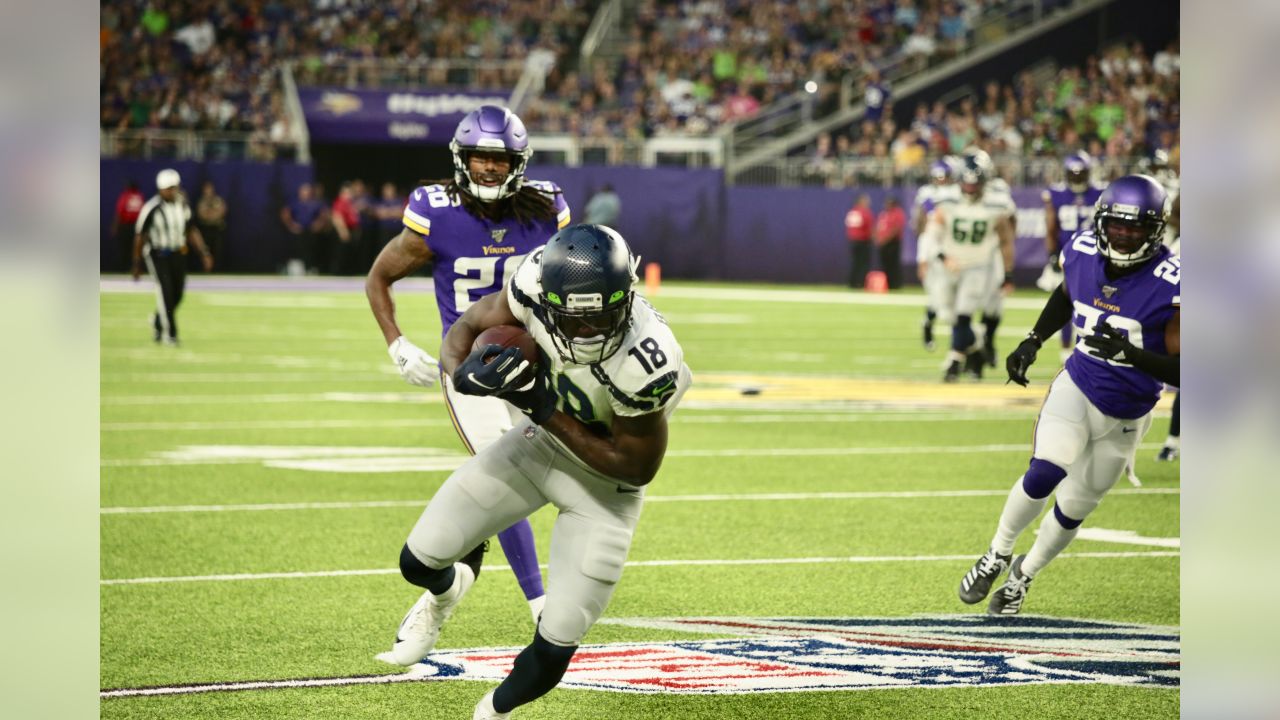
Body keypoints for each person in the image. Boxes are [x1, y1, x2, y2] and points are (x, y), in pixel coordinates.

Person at [385, 225, 692, 719]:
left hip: (606, 489)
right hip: (537, 447)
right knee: (416, 562)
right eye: (575, 319)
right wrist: (464, 373)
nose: (589, 332)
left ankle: (491, 713)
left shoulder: (647, 357)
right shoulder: (532, 283)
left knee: (553, 647)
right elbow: (463, 330)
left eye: (603, 317)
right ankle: (447, 592)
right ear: (548, 301)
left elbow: (636, 468)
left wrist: (540, 405)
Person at [366, 105, 571, 625]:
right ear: (462, 159)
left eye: (499, 159)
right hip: (469, 366)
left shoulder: (546, 210)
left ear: (517, 163)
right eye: (480, 157)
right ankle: (541, 606)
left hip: (533, 359)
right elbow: (378, 277)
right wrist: (397, 342)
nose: (488, 168)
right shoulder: (435, 213)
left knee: (560, 473)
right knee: (498, 463)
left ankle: (460, 573)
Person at [958, 174, 1179, 615]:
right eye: (1116, 225)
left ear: (1155, 231)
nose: (1122, 235)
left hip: (1128, 412)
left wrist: (1132, 355)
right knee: (1044, 471)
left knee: (1074, 508)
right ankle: (997, 552)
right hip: (1077, 385)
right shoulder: (1080, 250)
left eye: (1134, 229)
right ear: (1102, 222)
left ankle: (1023, 575)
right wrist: (1033, 339)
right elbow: (1065, 295)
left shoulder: (1170, 281)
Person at [917, 156, 1014, 382]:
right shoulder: (947, 199)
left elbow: (1006, 239)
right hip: (948, 264)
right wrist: (939, 256)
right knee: (947, 314)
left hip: (978, 266)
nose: (970, 189)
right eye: (966, 184)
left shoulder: (996, 203)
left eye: (974, 184)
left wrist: (1008, 272)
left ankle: (954, 361)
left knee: (963, 315)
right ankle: (978, 344)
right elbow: (932, 232)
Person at [131, 169, 214, 345]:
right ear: (161, 189)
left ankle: (158, 320)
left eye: (174, 187)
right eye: (169, 188)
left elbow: (191, 230)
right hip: (158, 254)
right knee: (165, 292)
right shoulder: (152, 208)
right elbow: (140, 235)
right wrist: (137, 263)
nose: (172, 191)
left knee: (178, 294)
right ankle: (170, 334)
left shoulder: (182, 205)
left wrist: (204, 252)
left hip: (178, 253)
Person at [1040, 152, 1105, 362]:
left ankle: (1083, 349)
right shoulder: (1056, 194)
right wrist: (1052, 255)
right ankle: (1066, 351)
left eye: (1080, 173)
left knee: (1092, 304)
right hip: (1068, 256)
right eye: (1073, 173)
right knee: (1066, 302)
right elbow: (1051, 228)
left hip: (1095, 256)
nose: (1077, 177)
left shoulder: (1101, 192)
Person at [914, 157, 958, 350]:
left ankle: (933, 325)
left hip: (951, 248)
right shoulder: (927, 193)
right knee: (937, 295)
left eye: (943, 176)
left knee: (953, 296)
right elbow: (922, 225)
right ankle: (929, 324)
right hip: (933, 248)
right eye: (937, 177)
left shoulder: (956, 193)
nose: (940, 180)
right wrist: (923, 257)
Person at [280, 183, 328, 275]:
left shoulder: (316, 203)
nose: (306, 193)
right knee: (296, 250)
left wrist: (318, 224)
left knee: (312, 250)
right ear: (300, 192)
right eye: (304, 191)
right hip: (298, 232)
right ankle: (294, 269)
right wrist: (292, 225)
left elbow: (324, 215)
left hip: (311, 232)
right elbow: (285, 213)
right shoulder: (294, 202)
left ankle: (311, 268)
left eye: (308, 191)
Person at [112, 180, 146, 272]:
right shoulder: (140, 196)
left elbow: (119, 213)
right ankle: (135, 268)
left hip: (126, 226)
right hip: (137, 226)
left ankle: (126, 268)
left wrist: (115, 226)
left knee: (126, 248)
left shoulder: (125, 196)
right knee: (136, 249)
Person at [874, 196, 906, 289]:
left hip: (893, 243)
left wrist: (885, 239)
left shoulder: (898, 213)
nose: (887, 205)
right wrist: (877, 238)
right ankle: (887, 283)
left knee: (893, 264)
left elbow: (896, 229)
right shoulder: (884, 214)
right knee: (885, 264)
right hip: (883, 243)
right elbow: (878, 227)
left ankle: (895, 284)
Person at [194, 180, 227, 271]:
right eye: (206, 189)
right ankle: (205, 270)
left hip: (216, 230)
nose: (208, 191)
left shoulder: (218, 200)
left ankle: (217, 270)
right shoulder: (201, 201)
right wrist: (212, 214)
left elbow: (222, 211)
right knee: (205, 251)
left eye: (209, 188)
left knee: (218, 251)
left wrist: (211, 214)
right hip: (206, 230)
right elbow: (202, 215)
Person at [844, 194, 874, 288]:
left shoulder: (852, 212)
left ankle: (852, 282)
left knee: (855, 263)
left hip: (853, 241)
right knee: (863, 263)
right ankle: (860, 283)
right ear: (861, 201)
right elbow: (870, 228)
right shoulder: (865, 212)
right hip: (863, 241)